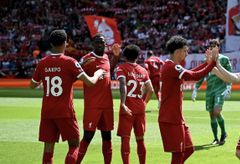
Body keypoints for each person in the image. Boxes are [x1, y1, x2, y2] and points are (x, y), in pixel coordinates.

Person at [30, 30, 105, 164]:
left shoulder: (42, 62)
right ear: (66, 43)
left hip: (47, 111)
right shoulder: (70, 62)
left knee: (48, 149)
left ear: (51, 44)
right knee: (74, 145)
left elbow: (32, 85)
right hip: (65, 111)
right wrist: (98, 73)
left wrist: (78, 67)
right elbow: (90, 82)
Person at [158, 35, 216, 164]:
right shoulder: (171, 66)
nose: (187, 53)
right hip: (170, 118)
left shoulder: (173, 66)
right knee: (178, 154)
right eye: (185, 50)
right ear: (177, 51)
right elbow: (194, 75)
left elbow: (190, 73)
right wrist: (213, 63)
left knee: (189, 149)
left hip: (176, 118)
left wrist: (206, 63)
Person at [76, 33, 121, 164]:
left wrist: (116, 57)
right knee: (88, 136)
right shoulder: (87, 58)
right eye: (98, 42)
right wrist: (82, 64)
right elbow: (74, 72)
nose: (101, 44)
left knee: (107, 137)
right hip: (93, 105)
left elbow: (109, 70)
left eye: (102, 42)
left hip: (107, 104)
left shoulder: (107, 57)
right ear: (93, 44)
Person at [116, 44, 153, 164]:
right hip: (140, 108)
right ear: (138, 56)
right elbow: (150, 89)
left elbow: (122, 85)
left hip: (127, 108)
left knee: (125, 140)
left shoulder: (121, 68)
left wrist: (122, 103)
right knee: (140, 140)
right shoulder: (143, 70)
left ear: (125, 56)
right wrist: (144, 103)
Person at [191, 39, 232, 145]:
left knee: (217, 111)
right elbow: (201, 75)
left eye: (214, 46)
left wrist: (228, 87)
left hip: (220, 89)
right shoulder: (206, 60)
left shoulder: (224, 59)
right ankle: (215, 138)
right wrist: (196, 88)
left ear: (218, 48)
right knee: (211, 115)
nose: (211, 48)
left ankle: (223, 133)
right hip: (209, 91)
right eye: (210, 47)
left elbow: (229, 74)